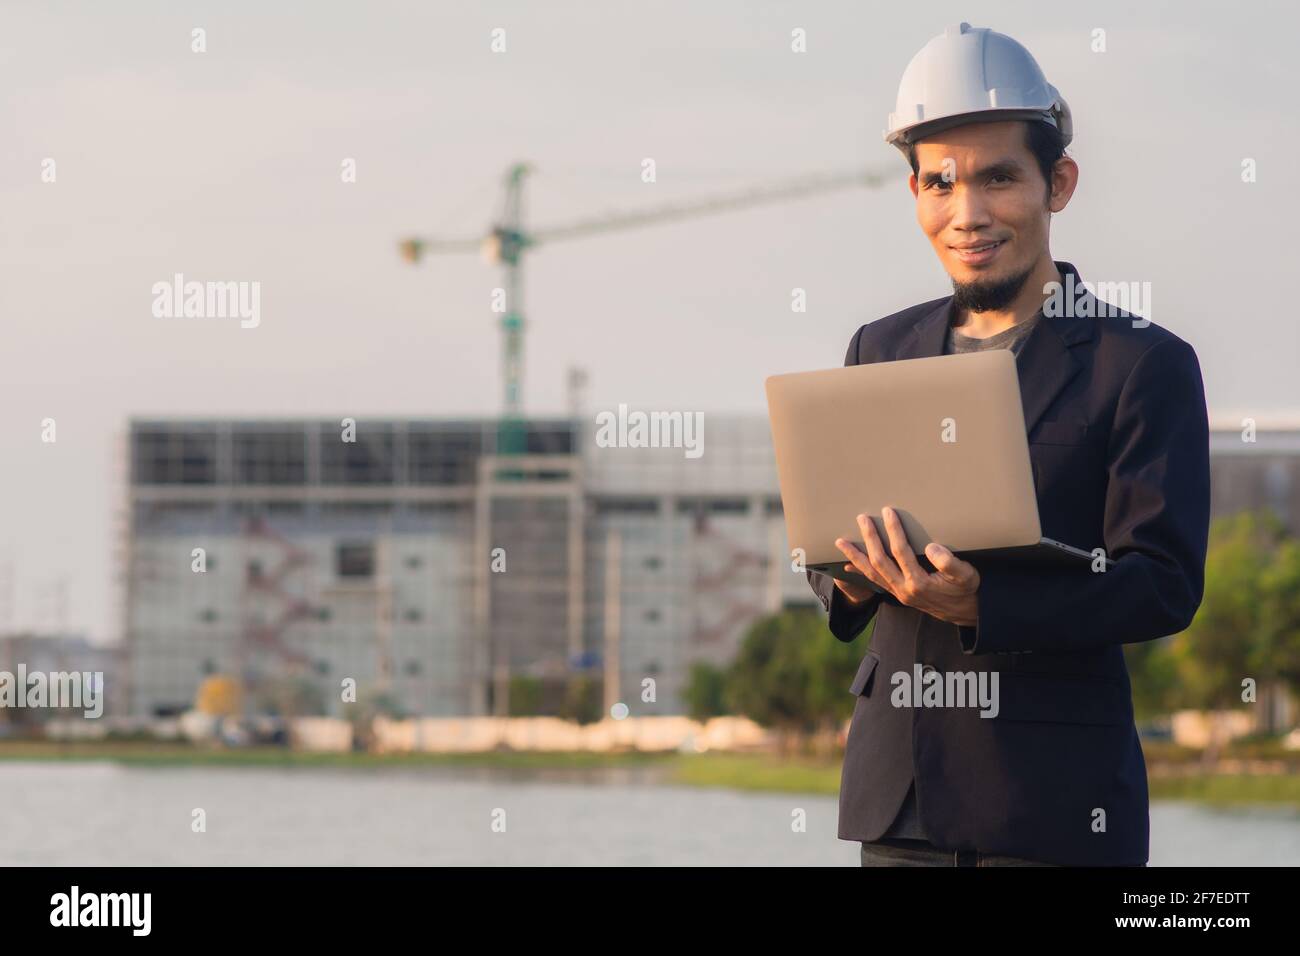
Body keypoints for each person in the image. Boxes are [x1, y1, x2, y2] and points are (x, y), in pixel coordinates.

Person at [806, 22, 1210, 867]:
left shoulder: (1142, 364)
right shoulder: (876, 350)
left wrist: (985, 605)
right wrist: (849, 570)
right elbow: (827, 548)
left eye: (998, 178)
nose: (968, 212)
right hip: (897, 803)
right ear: (913, 192)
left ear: (1056, 183)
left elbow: (1163, 585)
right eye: (940, 182)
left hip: (1053, 808)